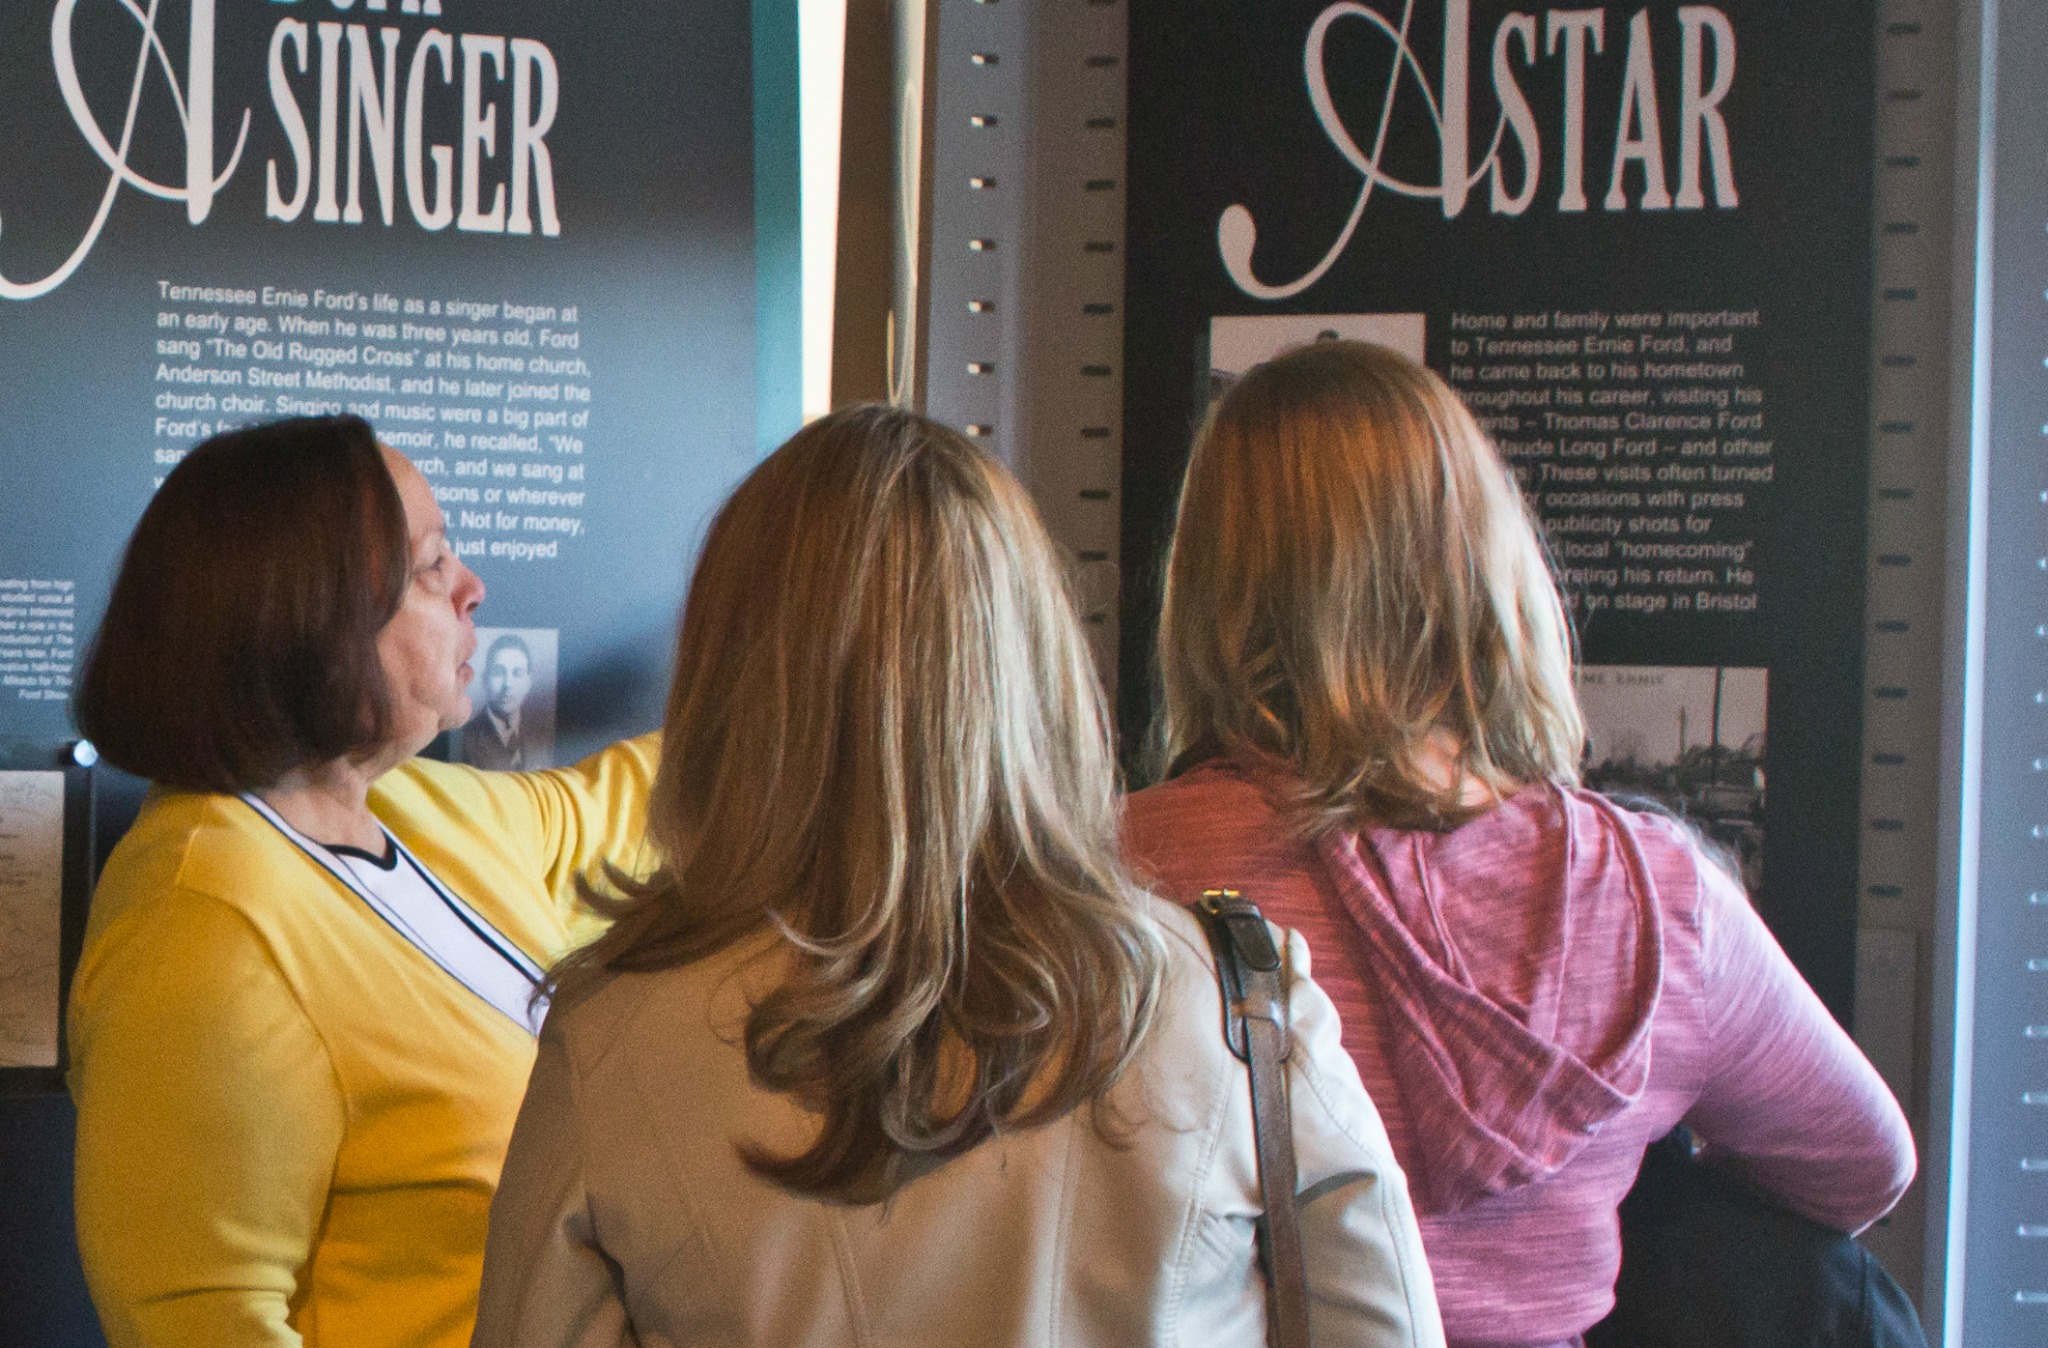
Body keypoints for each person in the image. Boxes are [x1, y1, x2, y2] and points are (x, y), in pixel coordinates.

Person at [469, 405, 1446, 1348]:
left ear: (728, 680)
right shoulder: (1235, 1004)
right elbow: (1384, 1319)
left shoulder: (613, 1035)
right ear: (1037, 663)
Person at [1121, 342, 1915, 1348]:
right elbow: (1859, 1162)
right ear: (1479, 563)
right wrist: (1611, 1181)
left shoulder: (1108, 874)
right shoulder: (1650, 898)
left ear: (1207, 586)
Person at [67, 416, 658, 1348]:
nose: (472, 589)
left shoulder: (413, 808)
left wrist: (805, 677)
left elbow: (624, 813)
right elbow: (199, 1322)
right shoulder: (202, 931)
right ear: (315, 615)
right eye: (431, 567)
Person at [464, 634, 536, 770]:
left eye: (517, 673)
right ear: (485, 679)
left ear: (529, 682)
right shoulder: (467, 736)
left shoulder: (541, 731)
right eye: (499, 672)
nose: (507, 684)